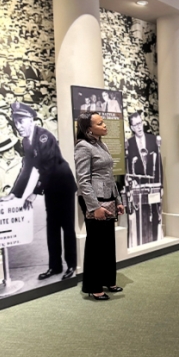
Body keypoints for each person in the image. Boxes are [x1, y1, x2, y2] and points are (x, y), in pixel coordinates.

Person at [0, 102, 77, 281]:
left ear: (30, 120)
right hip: (50, 186)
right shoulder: (26, 141)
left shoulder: (44, 137)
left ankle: (71, 265)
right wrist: (15, 193)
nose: (18, 127)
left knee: (67, 227)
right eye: (15, 123)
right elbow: (27, 168)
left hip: (63, 185)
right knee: (52, 228)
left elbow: (49, 166)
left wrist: (35, 191)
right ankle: (55, 267)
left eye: (21, 122)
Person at [75, 111, 125, 300]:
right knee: (96, 243)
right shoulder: (83, 147)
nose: (105, 126)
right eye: (100, 123)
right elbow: (83, 181)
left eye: (103, 122)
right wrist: (94, 207)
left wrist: (118, 201)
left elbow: (109, 177)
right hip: (93, 199)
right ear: (88, 129)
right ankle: (94, 286)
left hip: (108, 196)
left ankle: (108, 280)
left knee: (107, 242)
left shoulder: (101, 144)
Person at [125, 111, 162, 247]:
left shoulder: (153, 140)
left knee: (154, 215)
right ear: (132, 127)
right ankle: (141, 242)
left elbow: (159, 165)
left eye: (140, 123)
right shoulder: (129, 144)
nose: (139, 127)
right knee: (141, 217)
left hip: (153, 186)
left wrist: (161, 186)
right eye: (136, 125)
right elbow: (128, 167)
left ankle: (154, 241)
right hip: (138, 189)